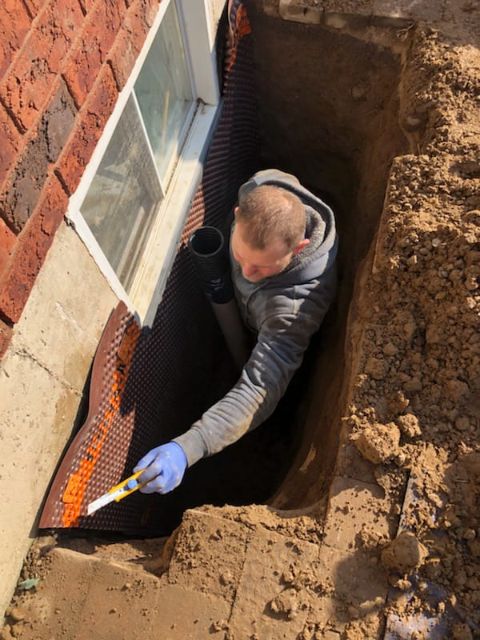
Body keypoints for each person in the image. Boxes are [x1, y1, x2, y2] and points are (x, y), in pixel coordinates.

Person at [130, 169, 338, 494]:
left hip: (268, 330)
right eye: (240, 257)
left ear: (299, 248)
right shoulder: (257, 185)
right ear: (238, 213)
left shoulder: (295, 307)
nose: (247, 273)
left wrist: (189, 446)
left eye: (263, 268)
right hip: (245, 313)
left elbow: (259, 387)